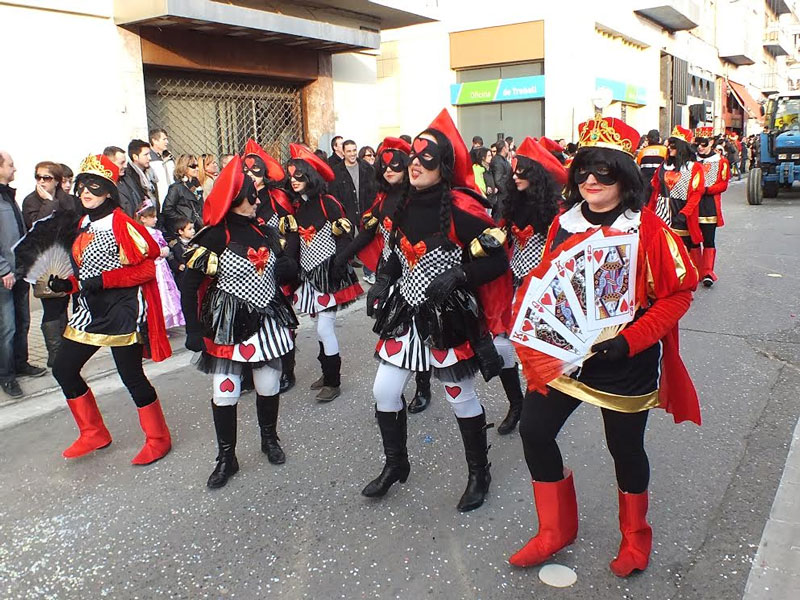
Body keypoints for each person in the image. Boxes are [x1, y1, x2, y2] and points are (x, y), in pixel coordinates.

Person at [509, 116, 700, 577]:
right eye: (583, 170)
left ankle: (635, 537)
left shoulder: (648, 229)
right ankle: (555, 529)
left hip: (625, 360)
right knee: (534, 431)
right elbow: (550, 284)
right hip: (567, 357)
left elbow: (679, 295)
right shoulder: (563, 224)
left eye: (604, 170)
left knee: (625, 449)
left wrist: (629, 340)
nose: (590, 179)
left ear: (624, 176)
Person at [363, 109, 508, 511]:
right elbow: (393, 256)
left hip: (448, 318)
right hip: (405, 312)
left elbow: (499, 261)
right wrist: (381, 282)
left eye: (425, 159)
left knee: (459, 395)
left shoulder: (462, 209)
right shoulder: (401, 206)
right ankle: (396, 464)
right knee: (384, 391)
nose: (414, 164)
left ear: (443, 166)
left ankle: (479, 472)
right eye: (413, 156)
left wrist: (461, 273)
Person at [181, 156, 299, 488]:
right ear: (235, 199)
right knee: (225, 392)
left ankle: (269, 439)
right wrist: (192, 329)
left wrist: (289, 267)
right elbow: (189, 286)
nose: (258, 200)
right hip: (228, 325)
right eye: (252, 196)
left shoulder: (266, 231)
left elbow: (283, 271)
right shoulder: (213, 237)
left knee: (268, 385)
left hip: (268, 321)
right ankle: (226, 457)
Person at [46, 153, 172, 464]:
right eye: (82, 185)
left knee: (132, 376)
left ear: (109, 190)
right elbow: (86, 273)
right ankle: (93, 432)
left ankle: (158, 439)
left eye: (94, 185)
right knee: (63, 369)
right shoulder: (83, 223)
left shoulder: (123, 224)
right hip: (89, 311)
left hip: (123, 311)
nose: (85, 192)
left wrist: (104, 281)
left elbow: (146, 269)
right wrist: (68, 285)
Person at [494, 137, 566, 435]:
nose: (515, 176)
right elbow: (500, 238)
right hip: (512, 284)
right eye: (514, 170)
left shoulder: (556, 210)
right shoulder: (511, 203)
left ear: (536, 174)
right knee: (501, 346)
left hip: (542, 288)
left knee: (536, 350)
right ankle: (516, 403)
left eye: (521, 171)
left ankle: (536, 408)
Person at [284, 143, 364, 402]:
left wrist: (337, 266)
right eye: (291, 175)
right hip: (309, 275)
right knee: (320, 325)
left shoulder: (328, 203)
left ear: (310, 176)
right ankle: (326, 373)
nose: (293, 180)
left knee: (324, 328)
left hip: (330, 273)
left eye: (299, 175)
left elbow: (345, 238)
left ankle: (333, 380)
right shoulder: (298, 206)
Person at [243, 138, 298, 393]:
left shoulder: (277, 197)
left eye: (256, 171)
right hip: (249, 267)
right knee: (248, 317)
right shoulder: (239, 198)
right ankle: (250, 370)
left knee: (281, 319)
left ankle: (287, 369)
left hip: (277, 265)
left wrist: (289, 263)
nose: (251, 176)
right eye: (246, 171)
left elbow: (292, 232)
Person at [21, 161, 80, 367]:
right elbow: (37, 227)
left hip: (66, 258)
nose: (41, 181)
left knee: (64, 303)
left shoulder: (68, 200)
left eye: (46, 178)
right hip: (44, 263)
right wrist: (48, 202)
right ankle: (55, 354)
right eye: (38, 177)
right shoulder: (31, 200)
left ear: (56, 180)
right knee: (52, 306)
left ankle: (66, 350)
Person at [1, 151, 47, 398]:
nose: (15, 169)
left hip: (19, 270)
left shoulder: (8, 196)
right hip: (5, 274)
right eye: (10, 165)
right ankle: (6, 375)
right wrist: (3, 269)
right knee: (7, 326)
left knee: (22, 321)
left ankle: (21, 363)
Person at [648, 126, 705, 267]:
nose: (669, 148)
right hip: (662, 211)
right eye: (669, 144)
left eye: (673, 145)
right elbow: (655, 191)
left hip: (681, 213)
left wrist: (684, 214)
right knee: (662, 249)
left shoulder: (694, 168)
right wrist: (649, 212)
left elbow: (696, 194)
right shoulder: (663, 166)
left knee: (683, 252)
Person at [135, 201, 184, 328]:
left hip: (162, 268)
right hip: (151, 268)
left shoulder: (157, 233)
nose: (156, 219)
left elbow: (164, 245)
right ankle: (155, 323)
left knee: (166, 293)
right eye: (152, 217)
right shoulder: (138, 234)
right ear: (143, 219)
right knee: (155, 295)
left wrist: (165, 250)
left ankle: (166, 321)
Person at [694, 127, 730, 287]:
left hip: (709, 205)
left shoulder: (721, 161)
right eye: (698, 143)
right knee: (693, 240)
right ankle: (695, 271)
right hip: (692, 204)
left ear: (711, 142)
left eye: (703, 143)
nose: (700, 147)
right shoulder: (691, 160)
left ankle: (707, 272)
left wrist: (707, 190)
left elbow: (723, 184)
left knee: (709, 239)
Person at [161, 154, 203, 239]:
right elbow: (167, 209)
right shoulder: (176, 187)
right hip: (184, 230)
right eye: (193, 166)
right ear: (184, 168)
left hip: (198, 227)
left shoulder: (196, 185)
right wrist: (184, 219)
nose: (197, 169)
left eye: (197, 165)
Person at [118, 139, 157, 218]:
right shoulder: (128, 176)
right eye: (146, 155)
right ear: (135, 157)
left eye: (149, 154)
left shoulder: (150, 173)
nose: (149, 158)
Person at [636, 129, 667, 198]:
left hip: (646, 184)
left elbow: (639, 165)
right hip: (660, 183)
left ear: (648, 139)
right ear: (659, 139)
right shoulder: (664, 150)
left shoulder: (643, 152)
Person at [148, 128, 175, 206]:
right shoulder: (150, 160)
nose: (167, 142)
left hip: (172, 199)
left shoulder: (168, 156)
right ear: (154, 141)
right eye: (164, 139)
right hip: (159, 201)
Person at [167, 217, 194, 290]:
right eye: (190, 229)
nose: (193, 231)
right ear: (181, 231)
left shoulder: (196, 243)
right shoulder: (174, 244)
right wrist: (177, 266)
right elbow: (170, 257)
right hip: (180, 275)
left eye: (193, 228)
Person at [490, 139, 512, 220]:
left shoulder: (502, 160)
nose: (509, 148)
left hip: (504, 195)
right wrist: (506, 191)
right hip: (501, 197)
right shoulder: (498, 161)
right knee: (499, 219)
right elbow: (498, 180)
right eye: (507, 147)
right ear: (504, 149)